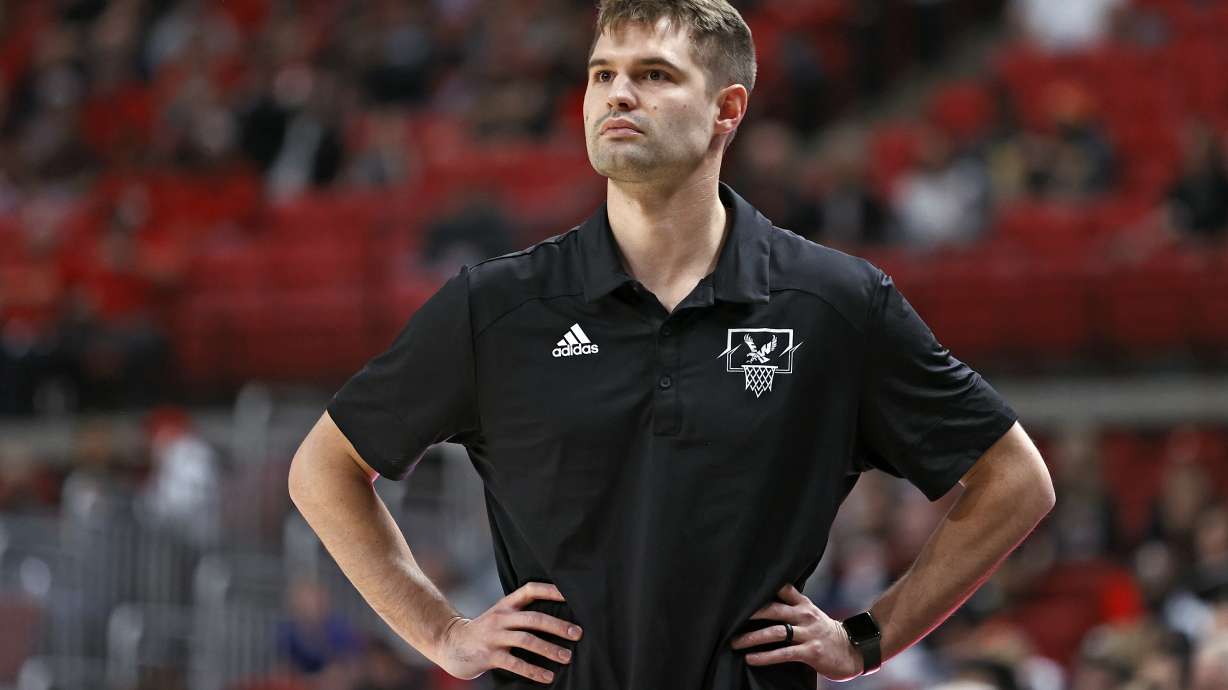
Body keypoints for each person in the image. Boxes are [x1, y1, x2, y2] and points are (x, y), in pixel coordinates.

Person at [287, 1, 1056, 688]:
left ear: (727, 109)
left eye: (654, 74)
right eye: (602, 75)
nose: (618, 94)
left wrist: (868, 638)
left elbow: (1014, 479)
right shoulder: (497, 306)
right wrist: (444, 634)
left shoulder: (835, 305)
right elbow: (324, 469)